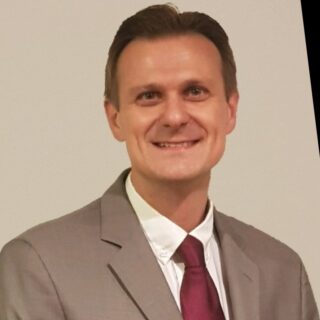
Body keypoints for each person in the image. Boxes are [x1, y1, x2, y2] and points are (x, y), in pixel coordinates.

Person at [0, 4, 318, 320]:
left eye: (195, 91)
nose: (175, 116)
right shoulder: (40, 266)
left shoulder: (285, 273)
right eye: (149, 96)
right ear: (115, 119)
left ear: (230, 110)